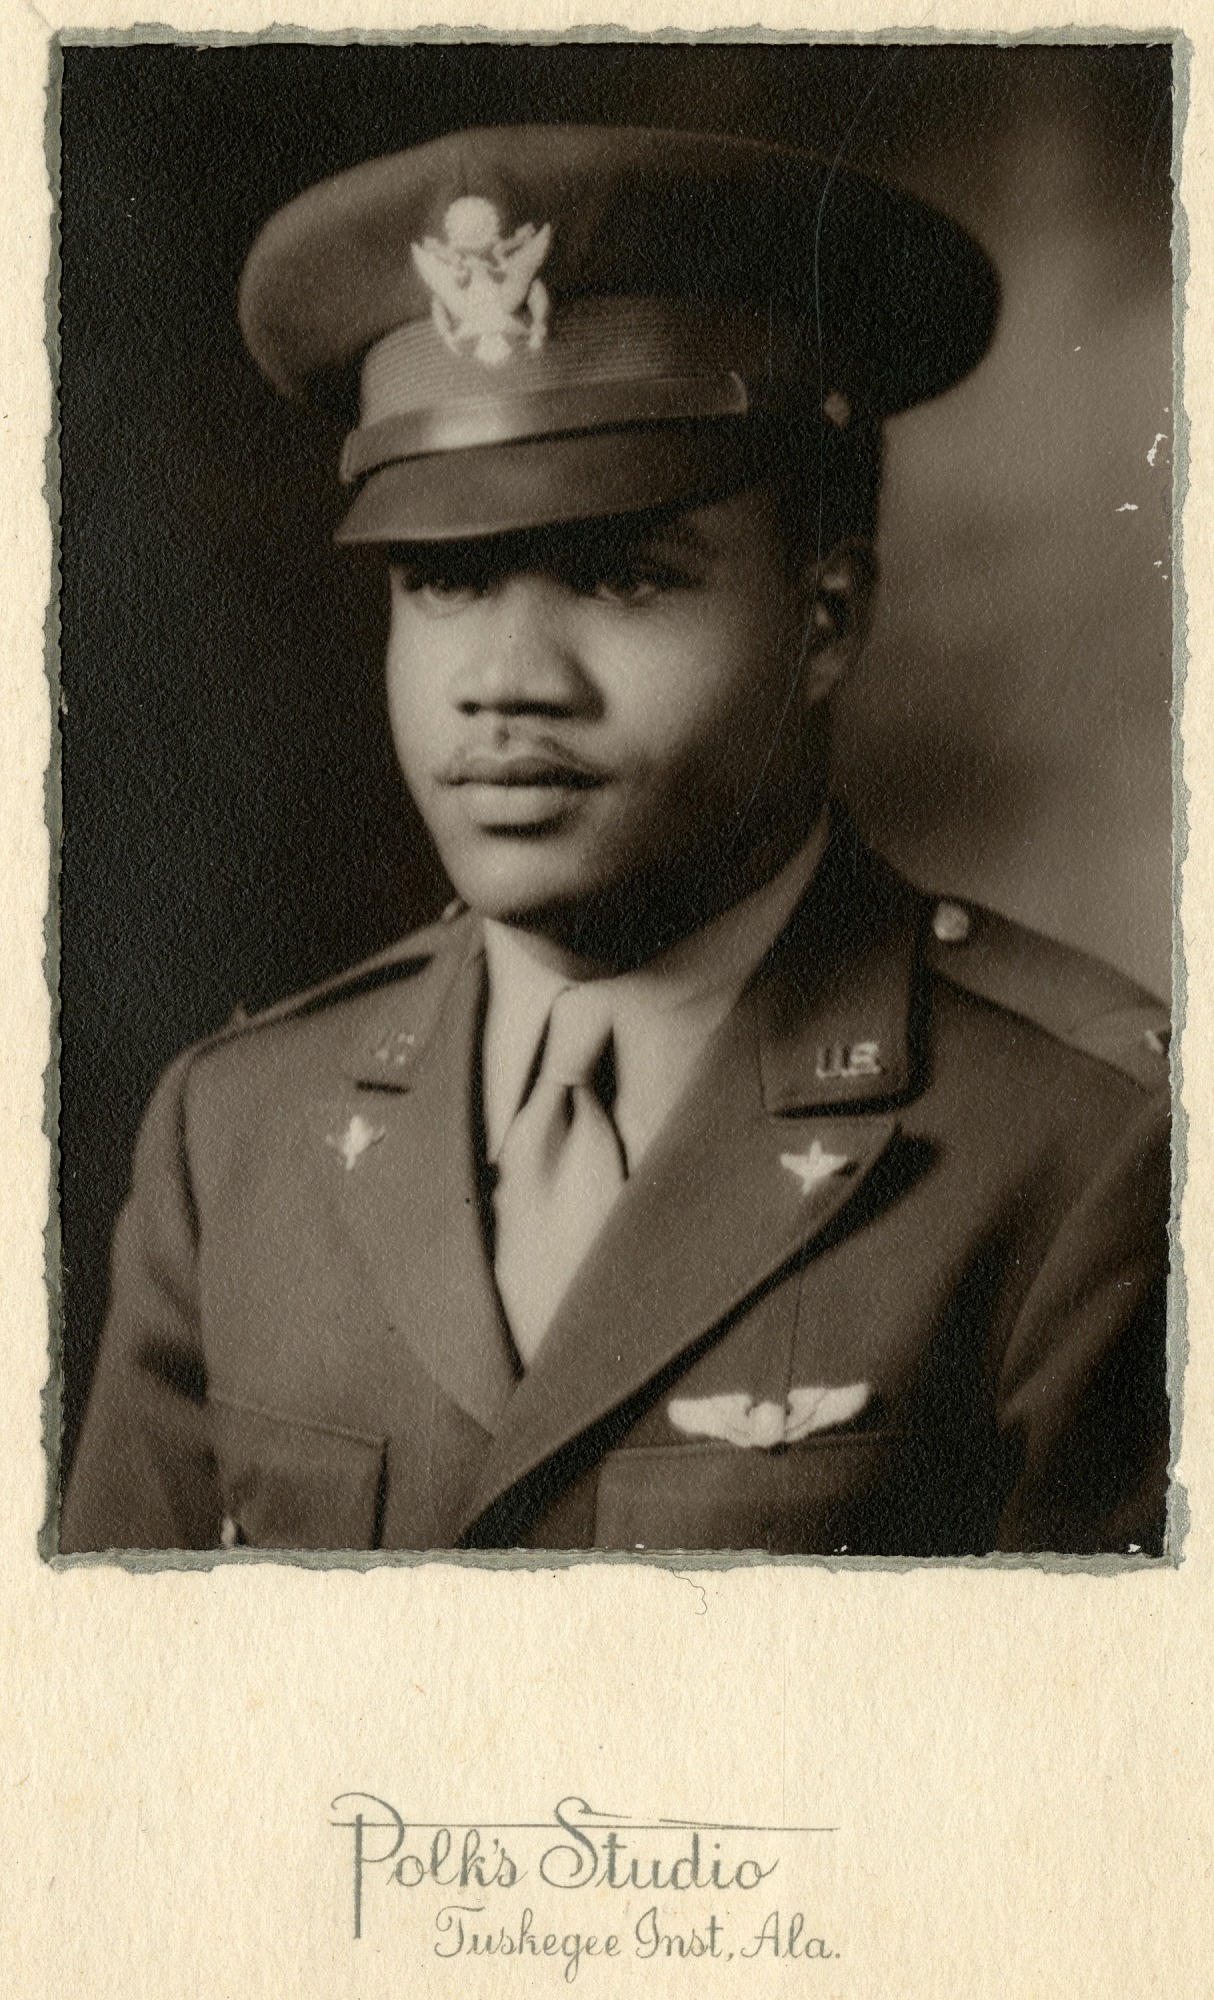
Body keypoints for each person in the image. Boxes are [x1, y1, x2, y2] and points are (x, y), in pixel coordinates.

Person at [60, 124, 1171, 1557]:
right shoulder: (235, 1137)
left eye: (622, 577)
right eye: (443, 579)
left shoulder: (1086, 1151)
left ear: (824, 620)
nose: (505, 681)